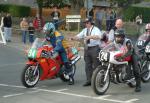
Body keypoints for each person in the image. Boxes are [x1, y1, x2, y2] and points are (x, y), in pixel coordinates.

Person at [71, 17, 103, 86]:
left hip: (95, 48)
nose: (86, 24)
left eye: (87, 23)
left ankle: (98, 81)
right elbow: (79, 36)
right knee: (87, 65)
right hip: (87, 49)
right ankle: (89, 80)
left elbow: (99, 36)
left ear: (91, 23)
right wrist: (73, 38)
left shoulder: (96, 29)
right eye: (85, 23)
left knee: (96, 65)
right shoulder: (84, 30)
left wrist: (90, 37)